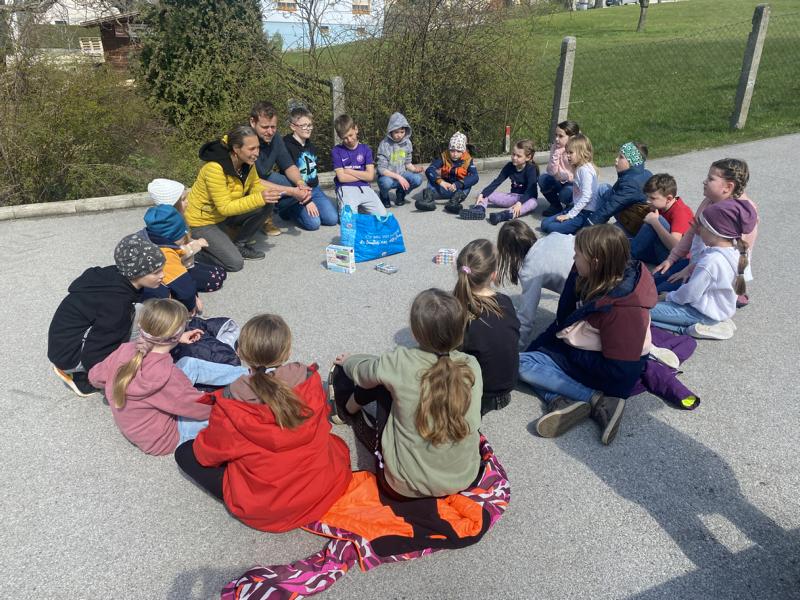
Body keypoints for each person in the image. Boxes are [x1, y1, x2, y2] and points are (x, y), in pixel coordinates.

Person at [174, 314, 352, 532]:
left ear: (240, 352)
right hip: (322, 485)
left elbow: (207, 454)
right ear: (287, 351)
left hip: (270, 507)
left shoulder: (232, 401)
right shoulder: (309, 378)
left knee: (185, 453)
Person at [330, 289, 482, 499]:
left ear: (415, 332)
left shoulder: (399, 362)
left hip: (404, 486)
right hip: (463, 478)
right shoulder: (471, 365)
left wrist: (348, 361)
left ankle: (346, 411)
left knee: (381, 382)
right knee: (388, 376)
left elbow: (364, 373)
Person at [518, 225, 657, 445]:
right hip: (585, 349)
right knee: (525, 361)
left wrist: (566, 352)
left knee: (520, 365)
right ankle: (559, 400)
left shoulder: (624, 311)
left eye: (577, 254)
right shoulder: (582, 272)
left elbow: (622, 372)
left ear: (596, 262)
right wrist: (539, 348)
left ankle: (596, 399)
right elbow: (563, 320)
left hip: (609, 368)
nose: (573, 258)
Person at [88, 299, 247, 455]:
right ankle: (250, 380)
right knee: (228, 416)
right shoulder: (168, 377)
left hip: (139, 427)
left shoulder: (125, 349)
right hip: (165, 437)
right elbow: (199, 408)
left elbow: (95, 376)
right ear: (174, 336)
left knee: (187, 363)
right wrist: (223, 403)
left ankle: (245, 374)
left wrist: (178, 339)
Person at [48, 234, 166, 397]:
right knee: (141, 314)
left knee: (143, 309)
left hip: (64, 343)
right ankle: (81, 378)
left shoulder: (115, 276)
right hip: (70, 355)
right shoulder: (116, 305)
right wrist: (114, 377)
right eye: (156, 272)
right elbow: (96, 351)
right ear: (137, 273)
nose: (162, 275)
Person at [653, 158, 759, 304]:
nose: (704, 181)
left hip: (712, 272)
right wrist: (671, 259)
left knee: (657, 295)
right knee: (654, 280)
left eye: (711, 179)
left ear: (728, 187)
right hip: (699, 263)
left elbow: (726, 258)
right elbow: (692, 231)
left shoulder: (742, 214)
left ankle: (731, 295)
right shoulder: (710, 201)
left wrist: (690, 270)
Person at [649, 199, 756, 339]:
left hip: (699, 313)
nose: (698, 230)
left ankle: (704, 327)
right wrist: (698, 237)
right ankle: (708, 324)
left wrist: (668, 296)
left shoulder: (711, 261)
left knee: (642, 313)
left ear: (715, 231)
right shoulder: (736, 250)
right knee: (652, 314)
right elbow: (697, 258)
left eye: (702, 227)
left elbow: (690, 294)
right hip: (717, 310)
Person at [184, 126, 281, 271]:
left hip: (224, 216)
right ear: (236, 148)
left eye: (258, 147)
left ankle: (239, 244)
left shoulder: (247, 163)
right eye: (251, 149)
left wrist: (268, 193)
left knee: (267, 203)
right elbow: (225, 208)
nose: (256, 153)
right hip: (203, 222)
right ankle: (190, 251)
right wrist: (260, 197)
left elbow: (254, 185)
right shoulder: (214, 168)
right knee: (235, 263)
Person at [453, 240, 520, 415]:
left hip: (479, 395)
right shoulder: (505, 302)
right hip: (506, 389)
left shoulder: (457, 311)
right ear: (494, 275)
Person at [496, 220, 575, 351]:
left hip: (585, 292)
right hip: (599, 270)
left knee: (549, 341)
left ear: (509, 251)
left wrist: (514, 348)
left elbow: (526, 316)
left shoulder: (530, 270)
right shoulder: (553, 235)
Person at [141, 204, 226, 314]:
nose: (185, 235)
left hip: (169, 277)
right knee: (217, 279)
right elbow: (185, 288)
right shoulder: (166, 256)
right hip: (162, 302)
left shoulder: (148, 238)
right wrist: (192, 305)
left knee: (219, 272)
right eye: (183, 233)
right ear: (174, 236)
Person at [249, 101, 312, 236]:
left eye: (273, 127)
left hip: (265, 176)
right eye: (265, 127)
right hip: (246, 184)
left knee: (296, 185)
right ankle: (261, 219)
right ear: (253, 122)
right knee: (279, 189)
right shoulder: (245, 140)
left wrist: (300, 183)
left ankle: (277, 210)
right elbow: (253, 182)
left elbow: (289, 166)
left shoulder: (275, 138)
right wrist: (292, 192)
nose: (270, 131)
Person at [278, 105, 338, 231]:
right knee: (314, 224)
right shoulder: (285, 145)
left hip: (314, 189)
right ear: (293, 126)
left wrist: (312, 197)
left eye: (310, 125)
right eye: (304, 125)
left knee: (332, 219)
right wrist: (307, 201)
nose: (308, 128)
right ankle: (288, 209)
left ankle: (310, 208)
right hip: (296, 191)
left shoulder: (311, 145)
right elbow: (289, 174)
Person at [459, 139, 539, 225]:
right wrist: (483, 194)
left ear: (528, 157)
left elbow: (531, 190)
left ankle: (503, 215)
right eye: (513, 154)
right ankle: (479, 210)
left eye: (519, 156)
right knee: (484, 193)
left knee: (533, 203)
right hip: (512, 197)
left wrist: (520, 203)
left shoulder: (531, 169)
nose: (514, 158)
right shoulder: (510, 166)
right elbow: (497, 181)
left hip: (527, 199)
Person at [587, 142, 652, 235]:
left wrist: (589, 224)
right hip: (628, 210)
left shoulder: (631, 183)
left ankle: (594, 228)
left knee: (606, 236)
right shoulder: (643, 173)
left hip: (631, 223)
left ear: (632, 162)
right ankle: (590, 215)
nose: (616, 159)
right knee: (603, 188)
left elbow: (610, 207)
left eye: (621, 157)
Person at [630, 173, 694, 265]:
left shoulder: (680, 212)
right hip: (659, 250)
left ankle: (628, 257)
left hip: (676, 260)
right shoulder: (661, 206)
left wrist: (654, 222)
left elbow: (675, 247)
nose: (647, 201)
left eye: (652, 198)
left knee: (657, 220)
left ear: (669, 199)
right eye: (647, 196)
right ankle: (627, 252)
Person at [540, 134, 599, 235]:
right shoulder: (579, 168)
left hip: (585, 213)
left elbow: (587, 196)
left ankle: (584, 228)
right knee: (544, 224)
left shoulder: (585, 171)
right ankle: (573, 224)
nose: (567, 155)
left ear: (582, 152)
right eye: (567, 152)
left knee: (551, 228)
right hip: (576, 208)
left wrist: (569, 215)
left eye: (570, 153)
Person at [331, 114, 386, 216]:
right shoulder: (336, 151)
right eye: (345, 138)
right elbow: (342, 178)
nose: (349, 140)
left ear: (356, 129)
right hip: (345, 187)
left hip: (364, 187)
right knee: (349, 220)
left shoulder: (366, 149)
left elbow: (370, 176)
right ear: (340, 137)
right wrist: (363, 175)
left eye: (351, 135)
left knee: (382, 216)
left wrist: (349, 171)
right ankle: (346, 205)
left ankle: (359, 207)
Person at [417, 131, 479, 214]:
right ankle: (428, 200)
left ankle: (453, 203)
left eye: (458, 151)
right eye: (452, 151)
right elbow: (430, 169)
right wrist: (441, 182)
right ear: (449, 149)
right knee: (431, 177)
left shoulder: (468, 160)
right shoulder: (444, 156)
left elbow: (475, 177)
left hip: (458, 190)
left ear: (463, 151)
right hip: (444, 187)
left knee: (469, 182)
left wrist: (458, 184)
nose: (455, 154)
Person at [376, 112, 424, 208]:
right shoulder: (384, 144)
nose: (399, 135)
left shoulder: (407, 143)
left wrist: (415, 169)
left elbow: (408, 163)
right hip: (387, 176)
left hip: (402, 173)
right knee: (386, 183)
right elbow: (381, 169)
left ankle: (401, 192)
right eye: (396, 132)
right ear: (391, 131)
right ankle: (384, 196)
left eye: (402, 132)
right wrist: (398, 177)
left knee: (418, 179)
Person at [539, 120, 580, 217]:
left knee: (565, 193)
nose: (557, 139)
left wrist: (566, 177)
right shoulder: (555, 147)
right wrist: (557, 153)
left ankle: (571, 206)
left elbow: (579, 175)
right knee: (543, 179)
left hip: (572, 184)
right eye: (556, 135)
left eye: (561, 136)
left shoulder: (577, 151)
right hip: (558, 180)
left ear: (572, 138)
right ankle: (555, 206)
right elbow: (551, 171)